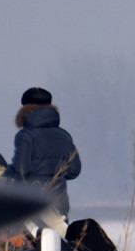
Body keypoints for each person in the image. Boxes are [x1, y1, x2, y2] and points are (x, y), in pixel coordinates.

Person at [6, 87, 81, 217]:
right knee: (59, 230)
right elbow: (74, 170)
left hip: (30, 204)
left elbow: (21, 170)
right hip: (58, 205)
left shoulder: (26, 136)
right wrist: (55, 174)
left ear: (25, 109)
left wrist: (1, 172)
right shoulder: (65, 136)